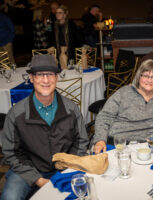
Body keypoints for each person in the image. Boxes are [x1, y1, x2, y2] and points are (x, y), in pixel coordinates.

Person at [0, 54, 89, 200]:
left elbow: (81, 142)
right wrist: (38, 179)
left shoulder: (71, 109)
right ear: (31, 78)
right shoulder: (16, 114)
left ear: (57, 78)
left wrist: (66, 169)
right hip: (27, 170)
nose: (46, 80)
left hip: (64, 168)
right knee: (10, 197)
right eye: (40, 75)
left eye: (50, 74)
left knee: (84, 193)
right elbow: (11, 152)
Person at [92, 59, 153, 153]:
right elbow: (104, 117)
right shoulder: (124, 92)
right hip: (116, 143)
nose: (150, 80)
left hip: (146, 147)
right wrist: (100, 140)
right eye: (146, 75)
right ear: (139, 77)